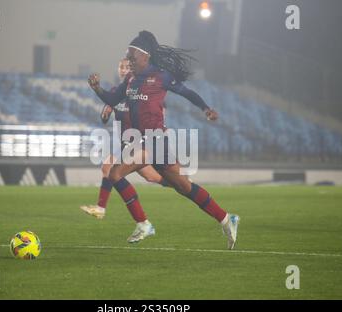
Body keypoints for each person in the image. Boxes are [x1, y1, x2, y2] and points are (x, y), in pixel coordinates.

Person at [88, 31, 239, 249]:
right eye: (127, 55)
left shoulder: (161, 77)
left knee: (115, 173)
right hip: (142, 140)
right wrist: (97, 89)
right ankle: (226, 219)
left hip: (155, 140)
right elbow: (112, 99)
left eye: (132, 54)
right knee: (182, 187)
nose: (129, 58)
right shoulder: (130, 79)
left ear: (145, 56)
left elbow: (187, 93)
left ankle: (143, 223)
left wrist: (205, 108)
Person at [81, 58, 169, 219]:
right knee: (151, 176)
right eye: (121, 66)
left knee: (108, 167)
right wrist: (106, 112)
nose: (123, 69)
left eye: (127, 67)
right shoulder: (117, 91)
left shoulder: (139, 90)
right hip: (125, 141)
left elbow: (155, 109)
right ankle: (179, 183)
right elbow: (106, 114)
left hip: (136, 139)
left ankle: (101, 208)